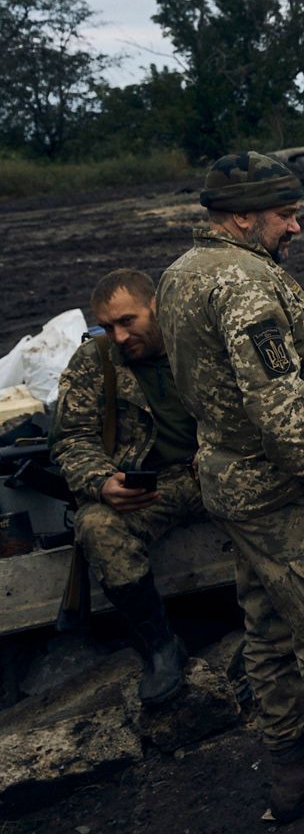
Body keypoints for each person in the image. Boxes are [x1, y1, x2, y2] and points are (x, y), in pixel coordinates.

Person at [156, 152, 304, 823]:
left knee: (271, 631)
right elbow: (278, 402)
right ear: (243, 216)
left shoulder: (179, 275)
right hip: (285, 494)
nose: (297, 228)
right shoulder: (248, 286)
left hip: (232, 485)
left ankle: (292, 772)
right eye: (286, 215)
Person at [50, 269, 205, 704]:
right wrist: (101, 482)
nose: (118, 336)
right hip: (148, 488)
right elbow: (71, 439)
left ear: (155, 307)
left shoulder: (196, 342)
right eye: (107, 326)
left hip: (213, 473)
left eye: (127, 322)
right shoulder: (94, 362)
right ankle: (160, 644)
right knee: (96, 526)